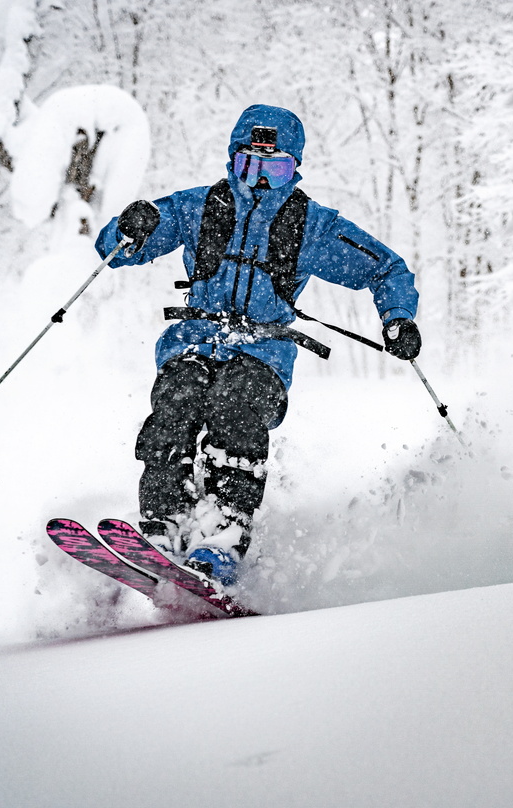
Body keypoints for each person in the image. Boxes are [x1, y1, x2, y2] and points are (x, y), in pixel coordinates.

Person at [95, 104, 421, 587]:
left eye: (276, 168)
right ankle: (163, 525)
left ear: (294, 169)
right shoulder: (198, 207)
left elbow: (386, 268)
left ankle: (222, 535)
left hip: (263, 352)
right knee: (175, 405)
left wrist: (398, 318)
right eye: (251, 166)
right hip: (195, 340)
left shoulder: (313, 225)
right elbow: (116, 250)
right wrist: (131, 227)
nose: (261, 181)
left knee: (236, 408)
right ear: (232, 162)